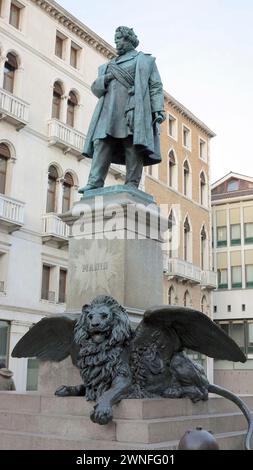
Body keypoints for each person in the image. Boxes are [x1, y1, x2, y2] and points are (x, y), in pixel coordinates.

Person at [79, 26, 166, 193]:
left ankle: (132, 183)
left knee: (132, 144)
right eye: (115, 40)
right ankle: (94, 182)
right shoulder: (108, 66)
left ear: (128, 40)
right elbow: (96, 89)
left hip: (133, 108)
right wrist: (106, 78)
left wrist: (158, 109)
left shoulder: (145, 61)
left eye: (119, 39)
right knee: (101, 142)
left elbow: (155, 86)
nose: (116, 43)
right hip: (108, 110)